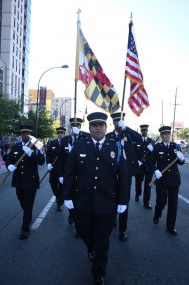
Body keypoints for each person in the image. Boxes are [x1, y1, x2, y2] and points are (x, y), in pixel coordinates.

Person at [63, 112, 129, 285]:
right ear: (89, 127)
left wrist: (123, 200)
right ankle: (91, 247)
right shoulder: (79, 146)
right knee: (84, 232)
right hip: (83, 201)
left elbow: (123, 176)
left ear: (106, 128)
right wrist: (67, 195)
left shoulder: (115, 147)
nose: (98, 127)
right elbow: (70, 173)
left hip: (107, 202)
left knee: (103, 239)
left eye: (101, 124)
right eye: (94, 125)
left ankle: (99, 272)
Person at [5, 125, 45, 240]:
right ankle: (28, 215)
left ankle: (25, 228)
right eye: (22, 133)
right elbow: (8, 158)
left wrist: (31, 154)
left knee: (28, 205)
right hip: (19, 181)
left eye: (27, 133)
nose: (24, 135)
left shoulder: (37, 145)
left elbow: (42, 161)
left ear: (30, 134)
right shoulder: (16, 146)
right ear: (21, 135)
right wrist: (9, 166)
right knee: (21, 199)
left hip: (31, 181)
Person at [106, 112, 140, 242]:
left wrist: (126, 129)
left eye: (120, 121)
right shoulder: (108, 136)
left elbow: (139, 139)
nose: (117, 123)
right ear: (113, 123)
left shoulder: (129, 135)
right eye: (115, 121)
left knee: (124, 200)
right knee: (112, 197)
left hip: (126, 172)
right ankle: (113, 218)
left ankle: (122, 230)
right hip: (111, 173)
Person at [150, 126, 185, 235]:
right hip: (162, 180)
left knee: (173, 205)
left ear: (170, 135)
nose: (167, 136)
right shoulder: (157, 147)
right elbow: (150, 162)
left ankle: (170, 227)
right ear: (161, 136)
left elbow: (180, 162)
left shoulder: (176, 146)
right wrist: (155, 170)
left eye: (168, 134)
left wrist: (182, 159)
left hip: (174, 180)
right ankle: (157, 213)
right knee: (162, 201)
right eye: (164, 134)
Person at [60, 117, 89, 226]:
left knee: (80, 198)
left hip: (82, 173)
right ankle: (71, 213)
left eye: (77, 126)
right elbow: (60, 159)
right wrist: (61, 174)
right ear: (71, 127)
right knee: (69, 196)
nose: (75, 128)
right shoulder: (64, 140)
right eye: (73, 126)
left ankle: (78, 223)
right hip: (68, 174)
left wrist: (80, 137)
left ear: (80, 127)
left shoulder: (86, 137)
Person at [46, 126, 66, 212]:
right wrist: (49, 163)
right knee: (53, 185)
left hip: (63, 170)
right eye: (58, 133)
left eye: (61, 133)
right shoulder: (52, 143)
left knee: (61, 188)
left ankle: (59, 203)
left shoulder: (67, 143)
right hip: (54, 169)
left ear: (64, 134)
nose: (60, 134)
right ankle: (57, 197)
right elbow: (48, 155)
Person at [134, 124, 154, 209]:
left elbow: (155, 155)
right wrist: (136, 162)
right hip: (139, 166)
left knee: (148, 185)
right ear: (140, 131)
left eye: (145, 130)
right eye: (143, 130)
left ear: (147, 131)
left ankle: (146, 202)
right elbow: (133, 153)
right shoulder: (136, 142)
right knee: (138, 182)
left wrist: (153, 149)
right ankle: (137, 194)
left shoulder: (152, 142)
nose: (144, 131)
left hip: (149, 167)